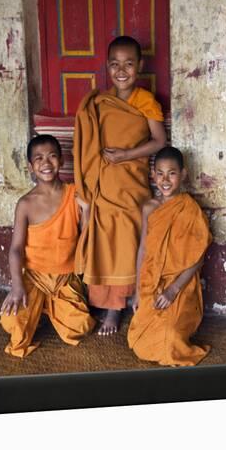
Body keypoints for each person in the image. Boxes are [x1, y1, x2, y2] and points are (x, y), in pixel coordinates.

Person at [74, 35, 166, 335]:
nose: (122, 70)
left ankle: (115, 309)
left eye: (129, 63)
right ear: (107, 66)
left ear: (140, 65)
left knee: (125, 240)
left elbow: (158, 142)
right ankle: (102, 301)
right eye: (115, 64)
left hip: (130, 185)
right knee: (102, 240)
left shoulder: (146, 101)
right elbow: (89, 141)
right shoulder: (100, 102)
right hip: (104, 183)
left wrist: (126, 154)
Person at [0, 134, 95, 357]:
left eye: (52, 156)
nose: (46, 163)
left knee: (79, 328)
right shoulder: (25, 204)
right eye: (39, 158)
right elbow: (15, 249)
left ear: (61, 161)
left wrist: (87, 210)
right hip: (34, 277)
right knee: (10, 322)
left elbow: (86, 238)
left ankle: (46, 310)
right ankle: (39, 307)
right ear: (31, 167)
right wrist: (16, 286)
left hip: (64, 276)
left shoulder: (74, 194)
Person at [127, 146, 212, 366]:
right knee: (138, 342)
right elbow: (143, 249)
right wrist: (137, 291)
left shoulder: (191, 210)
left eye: (172, 173)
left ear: (183, 175)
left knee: (171, 338)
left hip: (181, 284)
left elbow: (198, 258)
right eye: (160, 173)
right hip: (151, 280)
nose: (165, 180)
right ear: (153, 175)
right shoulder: (149, 207)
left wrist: (173, 290)